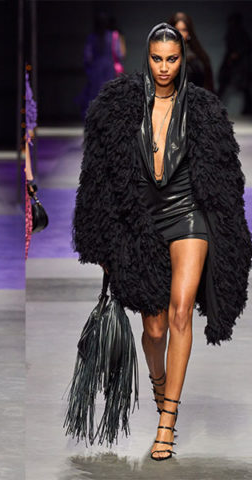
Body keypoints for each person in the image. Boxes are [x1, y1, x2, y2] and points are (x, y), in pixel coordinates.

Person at [73, 23, 252, 460]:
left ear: (182, 58)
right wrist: (105, 243)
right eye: (157, 59)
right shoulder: (119, 107)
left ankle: (167, 421)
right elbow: (99, 180)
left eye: (172, 59)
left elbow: (225, 179)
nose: (165, 67)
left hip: (188, 211)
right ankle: (160, 387)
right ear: (146, 57)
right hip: (142, 217)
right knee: (153, 329)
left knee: (180, 311)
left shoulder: (204, 111)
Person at [77, 13, 125, 118]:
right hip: (109, 67)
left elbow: (87, 56)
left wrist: (89, 68)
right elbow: (119, 54)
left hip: (96, 68)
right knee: (110, 93)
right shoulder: (113, 36)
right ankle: (109, 117)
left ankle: (96, 117)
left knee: (95, 93)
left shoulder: (92, 37)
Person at [169, 12, 214, 91]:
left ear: (189, 33)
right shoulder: (162, 55)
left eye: (184, 30)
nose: (180, 34)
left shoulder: (197, 58)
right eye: (176, 30)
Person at [218, 12, 252, 114]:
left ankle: (218, 108)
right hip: (235, 65)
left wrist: (236, 55)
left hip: (238, 66)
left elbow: (245, 47)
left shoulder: (239, 33)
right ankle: (218, 107)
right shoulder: (236, 33)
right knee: (228, 85)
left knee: (234, 86)